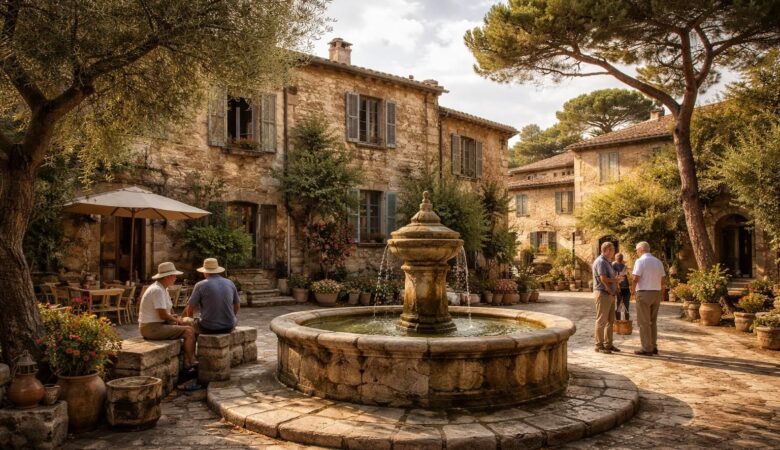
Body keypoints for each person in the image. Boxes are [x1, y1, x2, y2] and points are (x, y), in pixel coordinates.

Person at [138, 262, 198, 369]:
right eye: (174, 276)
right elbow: (163, 315)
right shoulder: (157, 290)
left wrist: (175, 318)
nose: (175, 278)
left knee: (190, 324)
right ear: (167, 277)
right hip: (151, 327)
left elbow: (166, 312)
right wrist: (178, 321)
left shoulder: (162, 289)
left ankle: (189, 359)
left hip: (158, 324)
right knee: (188, 330)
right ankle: (191, 361)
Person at [182, 258, 240, 334]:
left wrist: (192, 321)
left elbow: (190, 308)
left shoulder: (200, 285)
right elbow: (237, 305)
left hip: (207, 327)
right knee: (235, 319)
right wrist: (230, 317)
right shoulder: (230, 283)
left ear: (205, 272)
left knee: (184, 319)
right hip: (229, 327)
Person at [631, 241, 666, 356]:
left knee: (644, 322)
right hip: (656, 293)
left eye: (637, 250)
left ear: (641, 249)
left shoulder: (640, 261)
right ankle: (653, 346)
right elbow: (663, 280)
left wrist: (632, 292)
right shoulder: (658, 262)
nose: (636, 253)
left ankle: (646, 348)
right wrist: (662, 294)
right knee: (653, 322)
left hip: (644, 293)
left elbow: (635, 278)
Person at [592, 241, 624, 354]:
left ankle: (608, 344)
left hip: (609, 293)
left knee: (610, 321)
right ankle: (598, 345)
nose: (614, 251)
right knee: (601, 320)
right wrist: (615, 281)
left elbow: (608, 277)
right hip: (603, 293)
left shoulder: (608, 262)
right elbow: (603, 279)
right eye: (613, 249)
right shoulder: (601, 262)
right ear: (606, 250)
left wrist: (616, 282)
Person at [612, 253, 631, 320]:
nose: (620, 257)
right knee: (618, 305)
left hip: (626, 288)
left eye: (621, 256)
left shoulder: (624, 266)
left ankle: (626, 322)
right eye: (618, 256)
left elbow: (624, 276)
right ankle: (618, 321)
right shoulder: (613, 265)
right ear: (615, 257)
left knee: (626, 305)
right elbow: (614, 277)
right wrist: (617, 287)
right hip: (619, 288)